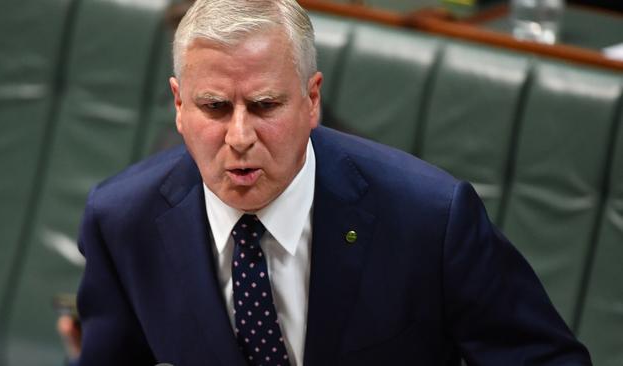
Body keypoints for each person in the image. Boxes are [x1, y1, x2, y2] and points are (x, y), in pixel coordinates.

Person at [69, 0, 592, 364]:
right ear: (179, 105)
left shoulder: (430, 217)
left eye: (266, 105)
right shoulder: (122, 221)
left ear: (312, 100)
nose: (240, 136)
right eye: (214, 107)